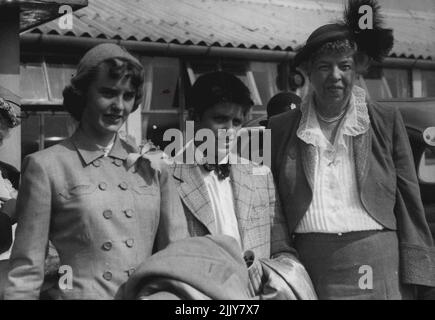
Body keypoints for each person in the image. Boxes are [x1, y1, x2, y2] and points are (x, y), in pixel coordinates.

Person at [268, 0, 435, 299]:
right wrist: (283, 257)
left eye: (344, 66)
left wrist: (420, 278)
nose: (335, 75)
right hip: (311, 268)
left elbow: (410, 204)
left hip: (380, 264)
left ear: (356, 69)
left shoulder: (384, 121)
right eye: (324, 66)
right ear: (307, 70)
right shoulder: (281, 129)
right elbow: (272, 205)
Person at [4, 43, 187, 300]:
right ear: (83, 94)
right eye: (108, 92)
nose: (119, 106)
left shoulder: (153, 164)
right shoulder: (46, 167)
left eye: (128, 96)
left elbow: (178, 257)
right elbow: (26, 271)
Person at [170, 71, 315, 299]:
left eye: (236, 122)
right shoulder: (168, 176)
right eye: (219, 119)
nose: (229, 130)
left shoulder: (260, 174)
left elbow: (282, 250)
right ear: (194, 118)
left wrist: (273, 286)